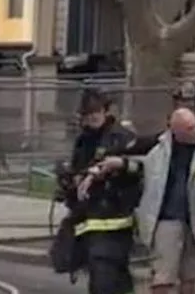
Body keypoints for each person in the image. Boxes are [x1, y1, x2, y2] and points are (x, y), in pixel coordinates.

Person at [99, 108, 195, 294]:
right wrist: (116, 162)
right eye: (190, 128)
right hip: (166, 219)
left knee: (190, 276)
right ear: (175, 130)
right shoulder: (156, 146)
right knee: (163, 278)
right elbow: (137, 162)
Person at [64, 90, 144, 294]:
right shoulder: (83, 140)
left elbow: (140, 169)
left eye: (96, 111)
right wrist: (72, 180)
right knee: (105, 275)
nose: (92, 116)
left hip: (116, 217)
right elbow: (77, 168)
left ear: (106, 111)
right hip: (89, 219)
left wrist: (112, 169)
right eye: (87, 113)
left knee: (107, 278)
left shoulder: (122, 137)